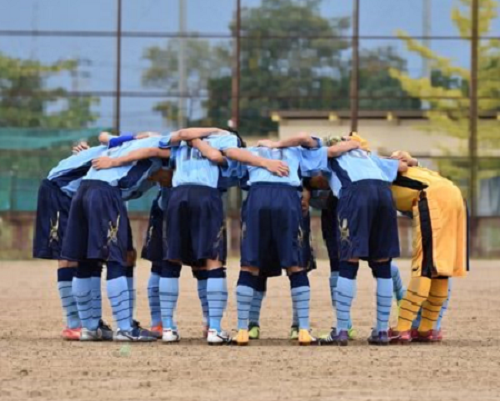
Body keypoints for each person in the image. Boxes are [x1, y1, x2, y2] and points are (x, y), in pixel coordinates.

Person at [93, 127, 287, 345]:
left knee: (171, 260)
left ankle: (167, 328)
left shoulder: (182, 142)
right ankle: (213, 328)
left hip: (177, 197)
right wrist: (266, 163)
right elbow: (229, 155)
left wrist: (115, 162)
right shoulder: (225, 138)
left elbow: (151, 151)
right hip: (205, 196)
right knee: (212, 260)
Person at [262, 132, 406, 346]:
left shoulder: (326, 153)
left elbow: (303, 139)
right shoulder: (366, 154)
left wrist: (276, 144)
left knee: (348, 262)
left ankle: (341, 330)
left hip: (355, 193)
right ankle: (382, 330)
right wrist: (407, 159)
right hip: (384, 194)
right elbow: (402, 167)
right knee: (383, 265)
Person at [233, 135, 357, 346]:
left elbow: (229, 153)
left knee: (249, 265)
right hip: (287, 197)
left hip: (257, 197)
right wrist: (355, 143)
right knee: (296, 265)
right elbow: (326, 149)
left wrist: (263, 161)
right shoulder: (297, 151)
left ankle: (242, 329)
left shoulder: (251, 152)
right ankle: (303, 330)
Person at [62, 135, 169, 342]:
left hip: (84, 190)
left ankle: (89, 328)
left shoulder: (125, 144)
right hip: (105, 192)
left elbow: (104, 136)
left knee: (85, 260)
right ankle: (125, 328)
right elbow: (153, 150)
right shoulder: (166, 144)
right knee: (116, 258)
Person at [33, 132, 127, 340]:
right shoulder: (119, 152)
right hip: (60, 192)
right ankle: (74, 323)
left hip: (76, 197)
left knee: (84, 256)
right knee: (68, 256)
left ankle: (88, 321)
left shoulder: (119, 155)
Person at [388, 151, 467, 344]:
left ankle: (403, 327)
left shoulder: (371, 168)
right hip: (454, 195)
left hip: (432, 197)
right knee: (440, 266)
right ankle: (427, 328)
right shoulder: (416, 169)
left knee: (424, 266)